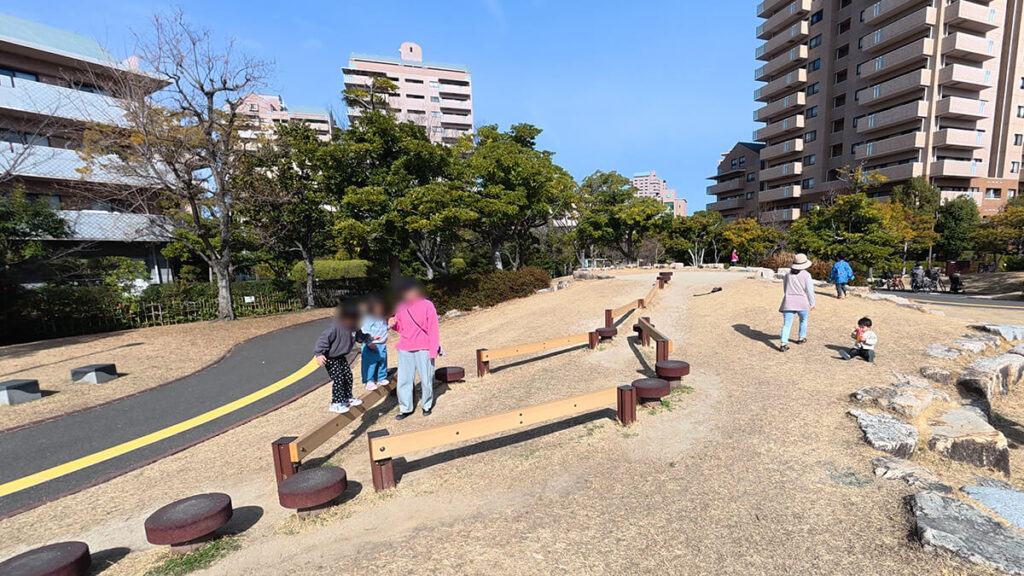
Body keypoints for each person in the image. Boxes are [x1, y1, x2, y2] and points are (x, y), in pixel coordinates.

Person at [388, 279, 442, 419]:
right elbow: (400, 327)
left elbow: (433, 329)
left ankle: (427, 405)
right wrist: (393, 323)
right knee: (404, 380)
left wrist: (433, 349)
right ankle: (405, 408)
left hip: (424, 347)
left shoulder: (427, 305)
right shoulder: (401, 306)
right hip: (405, 347)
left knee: (426, 379)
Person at [314, 302, 369, 414]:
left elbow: (360, 337)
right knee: (338, 378)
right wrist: (319, 354)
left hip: (340, 356)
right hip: (330, 357)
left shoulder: (354, 327)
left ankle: (347, 397)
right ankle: (335, 403)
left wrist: (368, 338)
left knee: (348, 375)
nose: (352, 322)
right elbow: (322, 341)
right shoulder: (334, 328)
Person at [779, 253, 816, 352]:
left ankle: (783, 343)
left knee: (787, 324)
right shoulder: (806, 275)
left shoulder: (787, 275)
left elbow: (785, 288)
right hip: (802, 302)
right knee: (803, 320)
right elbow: (809, 290)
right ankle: (801, 337)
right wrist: (812, 303)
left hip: (789, 301)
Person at [360, 296, 390, 391]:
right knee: (370, 364)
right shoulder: (368, 318)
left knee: (382, 362)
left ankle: (381, 377)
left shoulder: (382, 318)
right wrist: (369, 342)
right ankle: (369, 380)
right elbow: (364, 331)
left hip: (381, 344)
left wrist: (390, 325)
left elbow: (384, 328)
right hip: (371, 345)